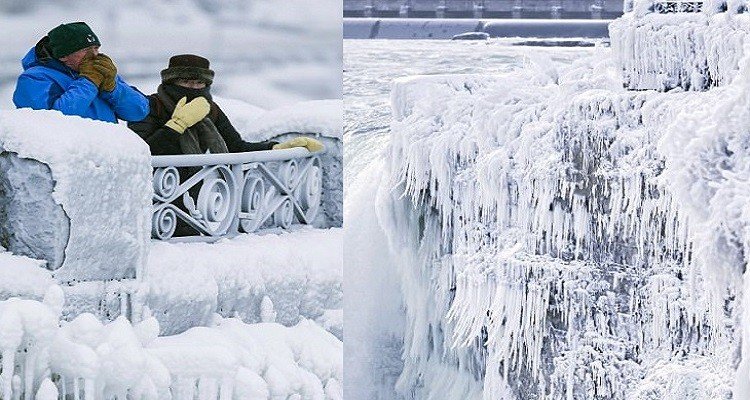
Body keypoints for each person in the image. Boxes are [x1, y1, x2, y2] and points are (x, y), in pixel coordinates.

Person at [127, 54, 324, 156]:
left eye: (199, 83)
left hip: (201, 198)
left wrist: (278, 148)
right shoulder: (150, 106)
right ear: (171, 83)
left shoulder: (210, 111)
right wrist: (177, 125)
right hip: (158, 196)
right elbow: (142, 153)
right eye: (186, 82)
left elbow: (236, 147)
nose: (193, 87)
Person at [12, 22, 148, 123]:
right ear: (63, 55)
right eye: (85, 50)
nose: (95, 55)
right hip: (69, 158)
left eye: (96, 48)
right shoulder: (34, 78)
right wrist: (88, 82)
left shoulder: (99, 73)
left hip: (107, 155)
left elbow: (139, 112)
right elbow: (53, 122)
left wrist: (113, 89)